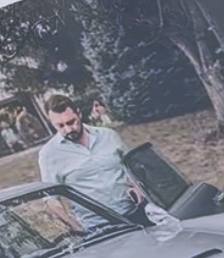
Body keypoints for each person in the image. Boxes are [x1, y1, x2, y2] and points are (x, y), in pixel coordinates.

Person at [36, 90, 145, 219]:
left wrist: (137, 186)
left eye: (71, 122)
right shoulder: (49, 154)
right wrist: (75, 227)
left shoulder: (108, 135)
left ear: (79, 114)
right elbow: (51, 199)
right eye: (60, 126)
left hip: (136, 210)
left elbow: (133, 167)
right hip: (98, 225)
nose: (68, 129)